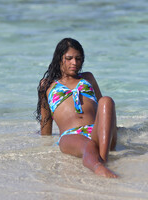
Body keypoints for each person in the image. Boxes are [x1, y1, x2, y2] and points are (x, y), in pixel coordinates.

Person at [36, 38, 118, 178]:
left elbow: (104, 111)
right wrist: (44, 142)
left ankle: (104, 160)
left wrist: (114, 129)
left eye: (78, 59)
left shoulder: (88, 78)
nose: (74, 63)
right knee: (88, 146)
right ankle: (99, 168)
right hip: (71, 135)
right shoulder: (47, 85)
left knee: (106, 100)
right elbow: (46, 121)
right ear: (59, 59)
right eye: (69, 58)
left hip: (98, 132)